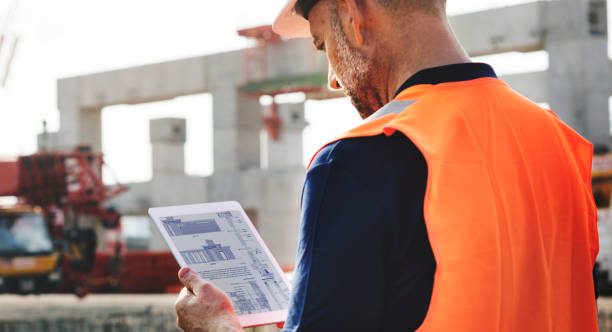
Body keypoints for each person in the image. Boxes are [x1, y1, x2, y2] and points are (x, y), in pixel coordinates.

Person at [174, 0, 600, 331]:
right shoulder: (559, 141)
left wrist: (218, 325)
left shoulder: (359, 157)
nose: (333, 80)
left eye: (324, 45)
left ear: (353, 13)